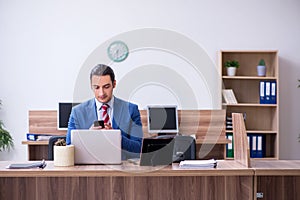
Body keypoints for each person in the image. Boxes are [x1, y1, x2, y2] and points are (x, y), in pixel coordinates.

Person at [66, 64, 143, 159]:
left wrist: (115, 137)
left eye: (106, 87)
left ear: (114, 84)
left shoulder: (131, 110)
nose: (101, 93)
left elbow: (139, 149)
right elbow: (68, 149)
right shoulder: (77, 112)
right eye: (96, 87)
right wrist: (88, 136)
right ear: (91, 86)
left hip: (121, 168)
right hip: (89, 168)